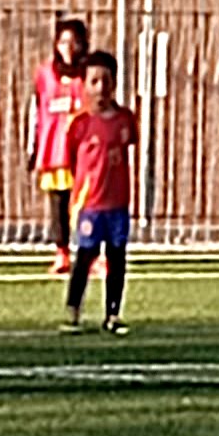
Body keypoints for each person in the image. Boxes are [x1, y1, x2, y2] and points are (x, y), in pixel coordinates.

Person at [62, 50, 137, 334]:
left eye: (106, 81)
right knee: (85, 255)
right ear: (84, 85)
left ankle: (113, 313)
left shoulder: (125, 119)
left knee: (117, 257)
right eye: (94, 81)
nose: (101, 88)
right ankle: (73, 309)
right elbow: (71, 159)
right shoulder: (79, 124)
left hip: (118, 202)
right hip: (90, 203)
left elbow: (127, 148)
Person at [28, 15, 89, 273]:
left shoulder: (89, 74)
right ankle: (61, 253)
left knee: (88, 206)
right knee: (58, 206)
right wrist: (32, 146)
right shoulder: (45, 74)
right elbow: (35, 110)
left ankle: (92, 255)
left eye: (74, 42)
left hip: (84, 152)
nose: (68, 47)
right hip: (54, 151)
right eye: (63, 41)